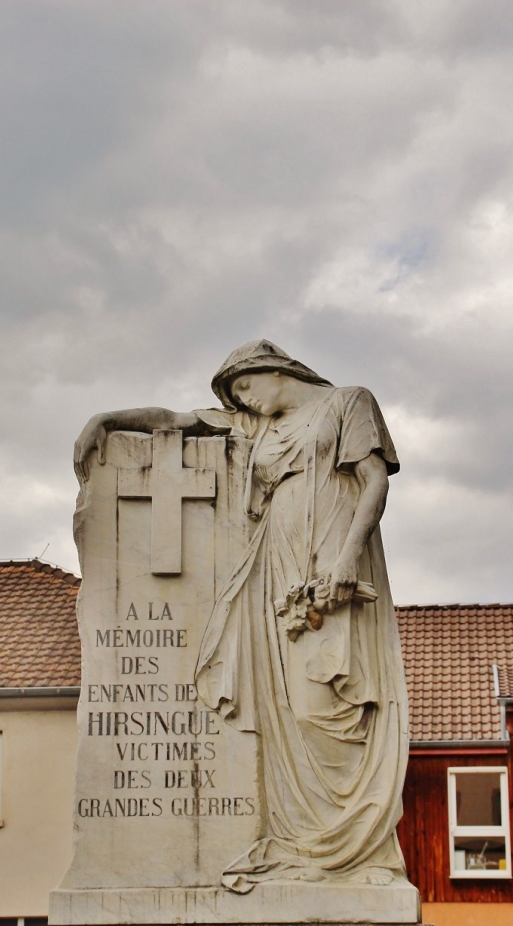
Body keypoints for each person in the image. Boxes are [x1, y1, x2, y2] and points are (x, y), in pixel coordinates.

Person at [74, 339, 409, 892]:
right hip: (277, 562)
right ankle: (303, 844)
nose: (245, 403)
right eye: (236, 397)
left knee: (336, 698)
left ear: (273, 369)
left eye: (246, 387)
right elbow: (179, 421)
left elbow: (374, 480)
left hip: (331, 549)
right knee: (292, 708)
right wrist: (106, 418)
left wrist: (349, 555)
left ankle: (354, 846)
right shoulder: (259, 429)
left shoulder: (348, 402)